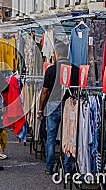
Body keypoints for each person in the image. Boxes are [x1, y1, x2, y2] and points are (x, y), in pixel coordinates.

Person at [37, 42, 69, 175]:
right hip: (68, 105)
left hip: (52, 104)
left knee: (51, 137)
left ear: (56, 54)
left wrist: (40, 109)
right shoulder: (74, 69)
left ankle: (49, 167)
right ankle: (67, 167)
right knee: (69, 137)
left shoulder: (51, 69)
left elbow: (44, 91)